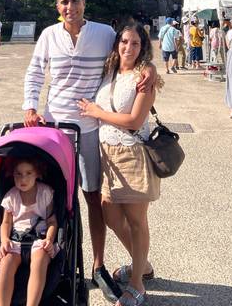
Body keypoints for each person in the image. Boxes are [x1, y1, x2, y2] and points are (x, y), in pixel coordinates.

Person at [23, 0, 152, 302]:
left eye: (76, 1)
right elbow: (35, 73)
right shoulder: (49, 35)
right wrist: (30, 105)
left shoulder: (103, 33)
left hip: (92, 127)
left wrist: (148, 67)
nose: (71, 7)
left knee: (93, 196)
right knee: (55, 196)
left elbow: (126, 56)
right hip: (56, 125)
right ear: (58, 7)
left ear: (84, 2)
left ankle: (98, 263)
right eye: (65, 2)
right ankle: (57, 257)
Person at [78, 22, 161, 306]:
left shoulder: (144, 77)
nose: (128, 47)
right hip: (107, 156)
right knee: (111, 216)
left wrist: (96, 112)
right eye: (124, 41)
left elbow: (135, 121)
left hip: (133, 154)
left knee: (137, 222)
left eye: (135, 43)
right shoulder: (109, 70)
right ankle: (143, 264)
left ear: (143, 48)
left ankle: (138, 283)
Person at [0, 158, 58, 306]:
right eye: (18, 174)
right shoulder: (11, 196)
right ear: (12, 175)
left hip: (39, 239)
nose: (23, 178)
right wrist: (4, 240)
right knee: (5, 264)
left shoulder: (45, 193)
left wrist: (49, 238)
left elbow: (52, 221)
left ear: (37, 174)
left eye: (28, 173)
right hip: (16, 239)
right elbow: (6, 222)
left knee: (40, 262)